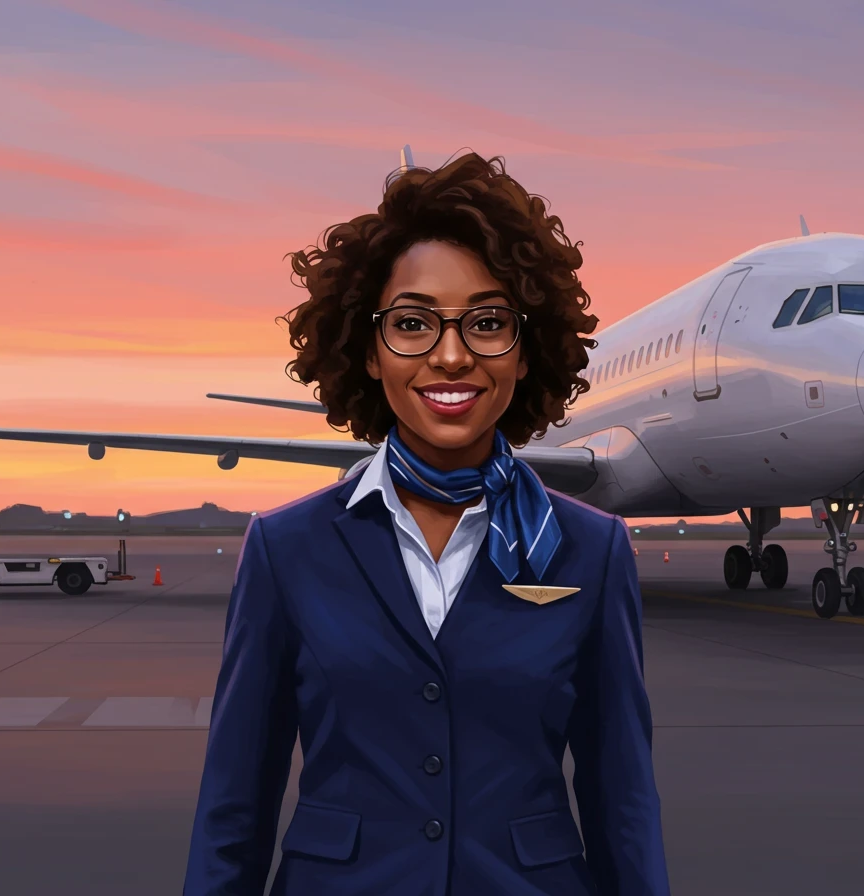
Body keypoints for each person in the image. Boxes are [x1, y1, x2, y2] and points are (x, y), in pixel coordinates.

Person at [182, 152, 670, 895]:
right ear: (368, 351)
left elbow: (622, 804)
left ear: (525, 348)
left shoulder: (590, 551)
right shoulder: (285, 550)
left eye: (486, 322)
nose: (450, 355)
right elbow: (233, 809)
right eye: (411, 323)